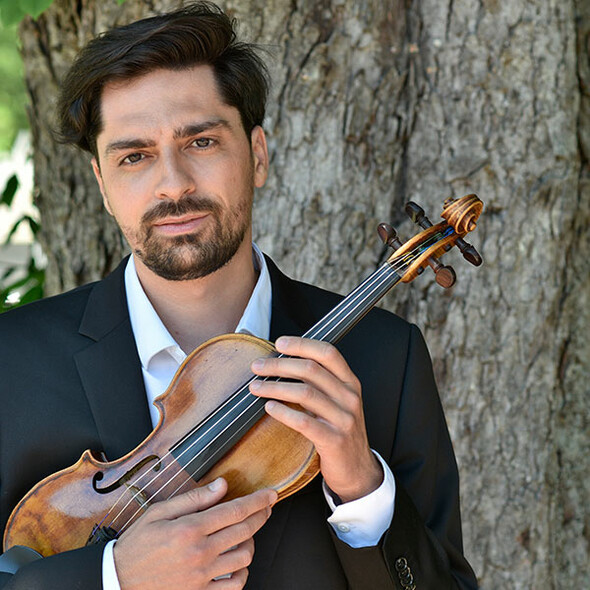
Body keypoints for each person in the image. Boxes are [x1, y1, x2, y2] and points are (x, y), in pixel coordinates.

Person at [0, 2, 478, 589]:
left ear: (257, 156)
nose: (172, 184)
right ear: (102, 183)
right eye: (134, 156)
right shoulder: (12, 362)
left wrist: (363, 491)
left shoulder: (386, 359)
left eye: (200, 142)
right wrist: (111, 577)